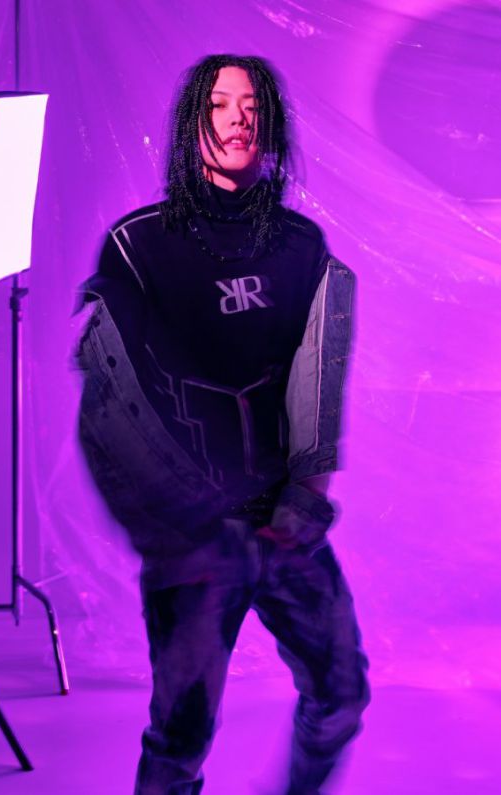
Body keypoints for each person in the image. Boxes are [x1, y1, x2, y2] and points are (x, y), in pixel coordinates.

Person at [74, 54, 370, 795]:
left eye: (253, 106)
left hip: (286, 523)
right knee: (180, 739)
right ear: (192, 122)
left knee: (341, 696)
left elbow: (319, 380)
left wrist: (306, 500)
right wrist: (177, 531)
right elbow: (106, 409)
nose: (238, 120)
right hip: (193, 540)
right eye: (218, 105)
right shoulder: (139, 246)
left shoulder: (302, 246)